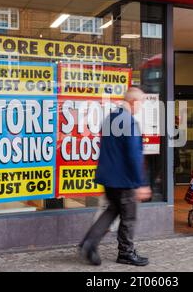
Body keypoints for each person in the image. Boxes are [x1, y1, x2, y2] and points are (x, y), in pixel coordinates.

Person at [79, 87, 152, 267]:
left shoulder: (110, 118)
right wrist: (141, 183)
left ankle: (89, 242)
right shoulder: (129, 122)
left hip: (108, 178)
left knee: (112, 211)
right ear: (134, 102)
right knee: (129, 217)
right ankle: (126, 253)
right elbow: (134, 155)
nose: (141, 107)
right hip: (124, 180)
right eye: (141, 103)